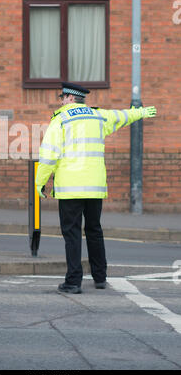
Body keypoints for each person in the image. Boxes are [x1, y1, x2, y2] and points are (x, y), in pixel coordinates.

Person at [35, 82, 157, 294]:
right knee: (94, 230)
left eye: (62, 97)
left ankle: (73, 282)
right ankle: (100, 277)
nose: (61, 100)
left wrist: (40, 182)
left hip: (71, 189)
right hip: (94, 187)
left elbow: (49, 155)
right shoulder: (98, 116)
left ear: (70, 98)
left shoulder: (61, 119)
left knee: (72, 234)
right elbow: (122, 116)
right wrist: (141, 112)